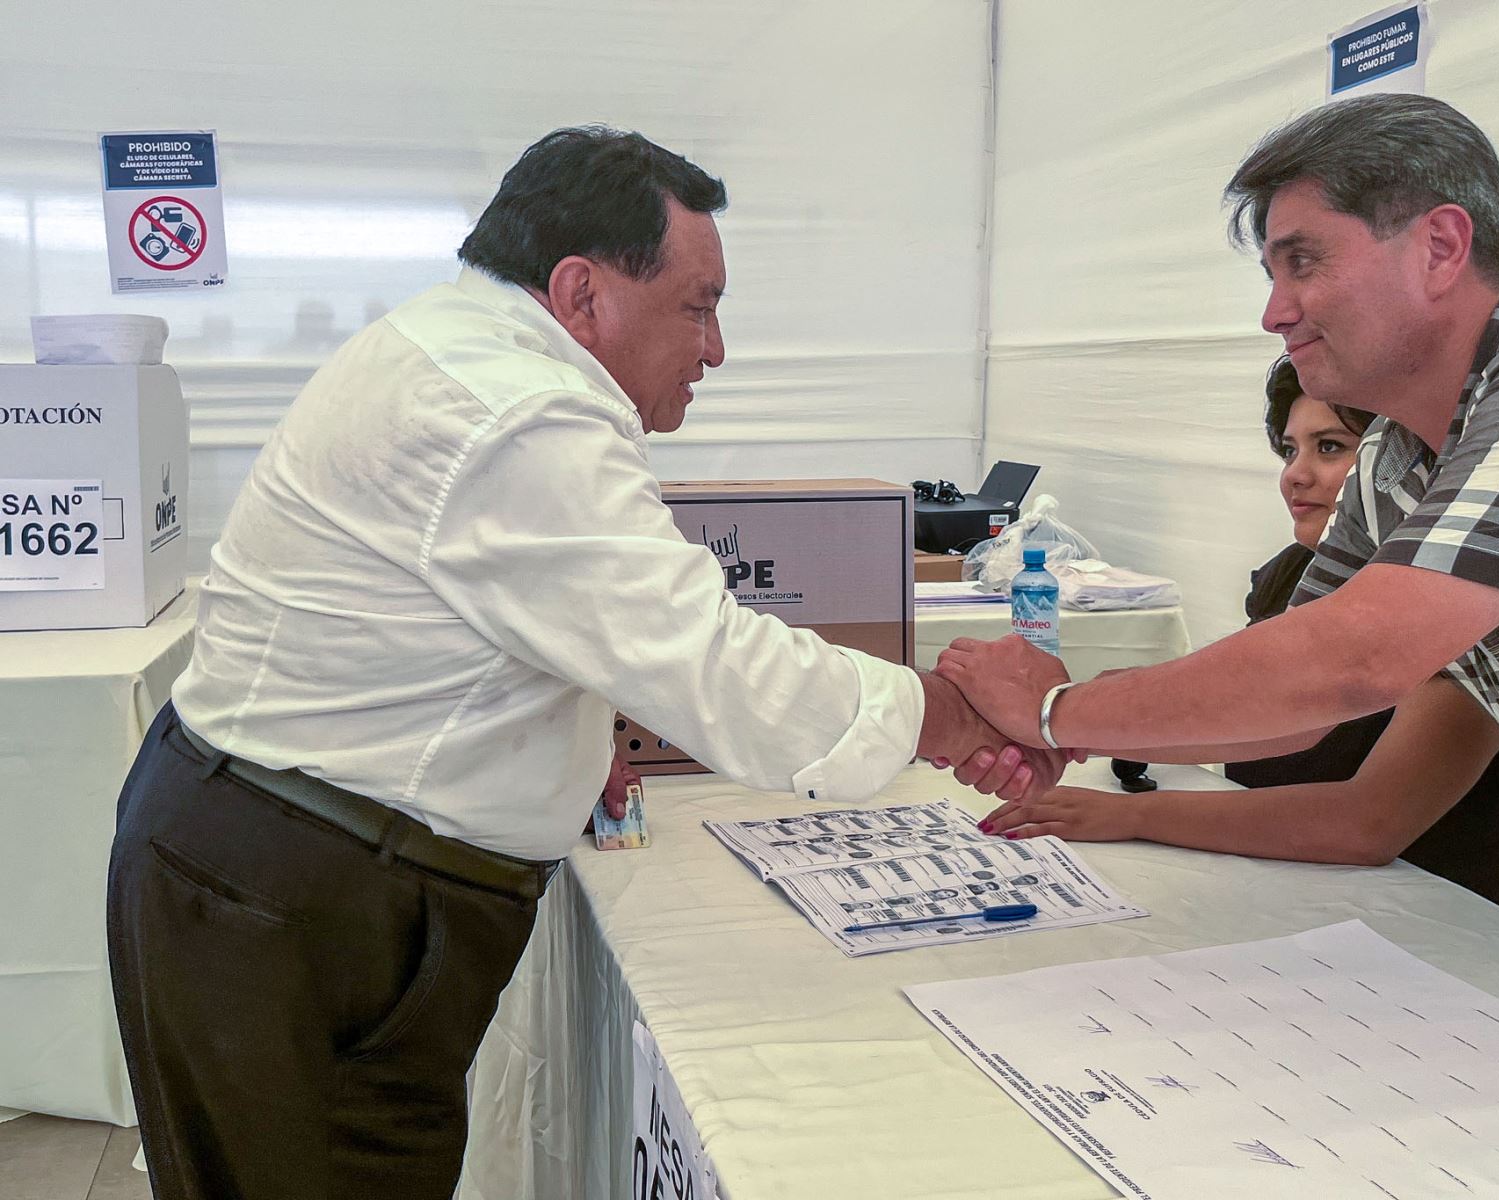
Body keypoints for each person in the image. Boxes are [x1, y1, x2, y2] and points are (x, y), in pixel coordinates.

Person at [107, 126, 1065, 1200]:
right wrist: (959, 713)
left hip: (286, 862)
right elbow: (710, 662)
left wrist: (560, 730)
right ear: (580, 292)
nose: (715, 350)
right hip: (297, 895)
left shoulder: (466, 353)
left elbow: (483, 612)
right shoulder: (518, 411)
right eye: (698, 306)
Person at [944, 93, 1499, 1047]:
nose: (1275, 313)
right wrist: (1081, 731)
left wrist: (1056, 713)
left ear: (1439, 246)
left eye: (1302, 260)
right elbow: (1302, 711)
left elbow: (1352, 661)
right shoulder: (1396, 460)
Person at [998, 356, 1499, 923]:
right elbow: (1250, 717)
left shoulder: (1469, 595)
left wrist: (1130, 812)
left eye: (1329, 447)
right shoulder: (1291, 574)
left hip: (1468, 926)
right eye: (1290, 449)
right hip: (1311, 899)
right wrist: (1067, 726)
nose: (1295, 475)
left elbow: (1367, 824)